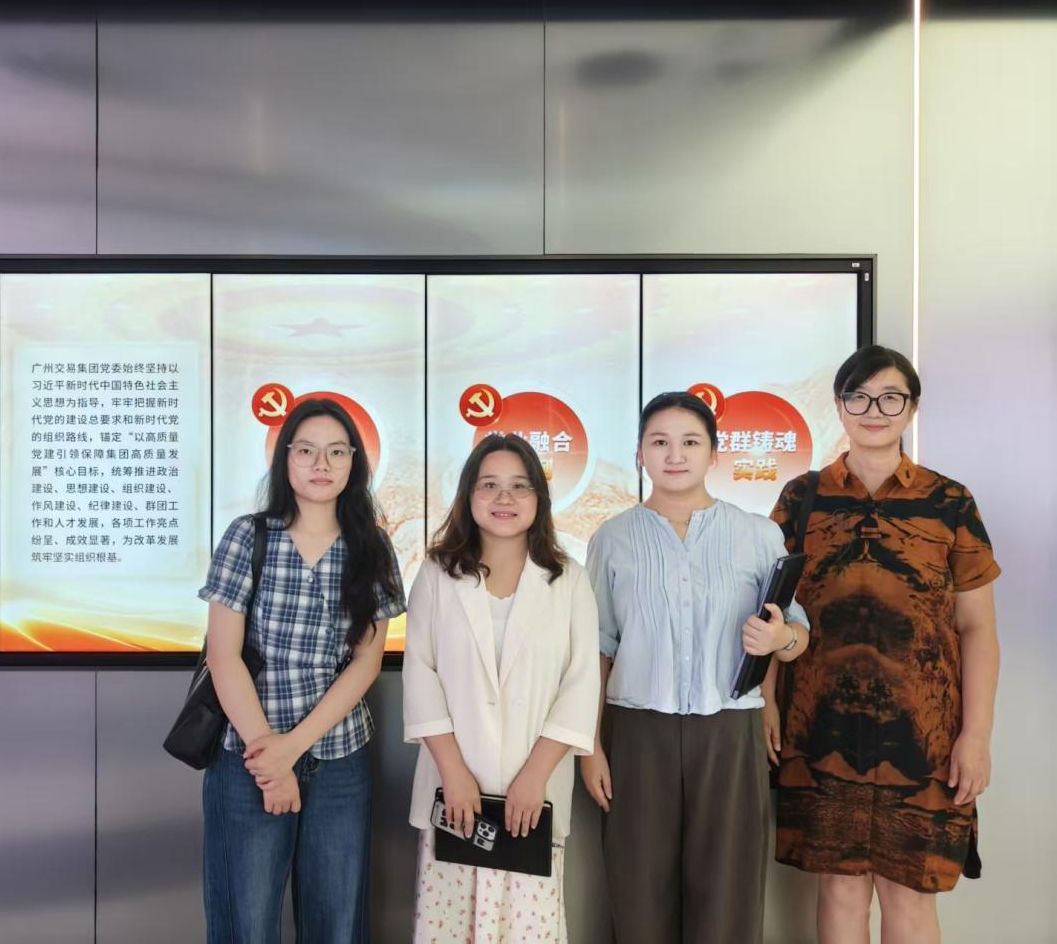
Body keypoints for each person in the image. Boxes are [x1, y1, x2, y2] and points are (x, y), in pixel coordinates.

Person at [762, 346, 1001, 944]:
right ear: (839, 406)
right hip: (819, 727)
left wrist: (975, 735)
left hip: (924, 735)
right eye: (860, 397)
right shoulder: (801, 498)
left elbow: (977, 628)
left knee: (911, 893)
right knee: (839, 890)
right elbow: (769, 610)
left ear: (911, 408)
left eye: (891, 397)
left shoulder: (950, 503)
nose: (875, 410)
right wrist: (766, 702)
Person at [580, 391, 810, 944]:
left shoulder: (757, 534)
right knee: (638, 893)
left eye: (690, 441)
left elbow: (796, 634)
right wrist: (590, 748)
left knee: (729, 894)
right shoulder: (612, 539)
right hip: (636, 731)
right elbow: (596, 651)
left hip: (730, 730)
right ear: (640, 454)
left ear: (714, 452)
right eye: (659, 442)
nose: (675, 454)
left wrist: (781, 638)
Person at [198, 397, 405, 944]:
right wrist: (270, 759)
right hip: (247, 756)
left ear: (354, 462)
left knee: (336, 925)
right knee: (246, 925)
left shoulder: (373, 547)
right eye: (306, 450)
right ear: (284, 459)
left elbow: (366, 662)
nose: (321, 464)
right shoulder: (248, 536)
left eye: (337, 452)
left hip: (339, 758)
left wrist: (292, 748)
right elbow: (223, 657)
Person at [403, 432, 600, 942]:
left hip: (532, 795)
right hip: (455, 793)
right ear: (469, 496)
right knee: (451, 928)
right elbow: (420, 675)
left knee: (528, 929)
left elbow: (581, 684)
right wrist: (454, 774)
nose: (504, 497)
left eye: (519, 485)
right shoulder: (436, 575)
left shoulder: (569, 579)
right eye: (489, 485)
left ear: (539, 497)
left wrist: (534, 777)